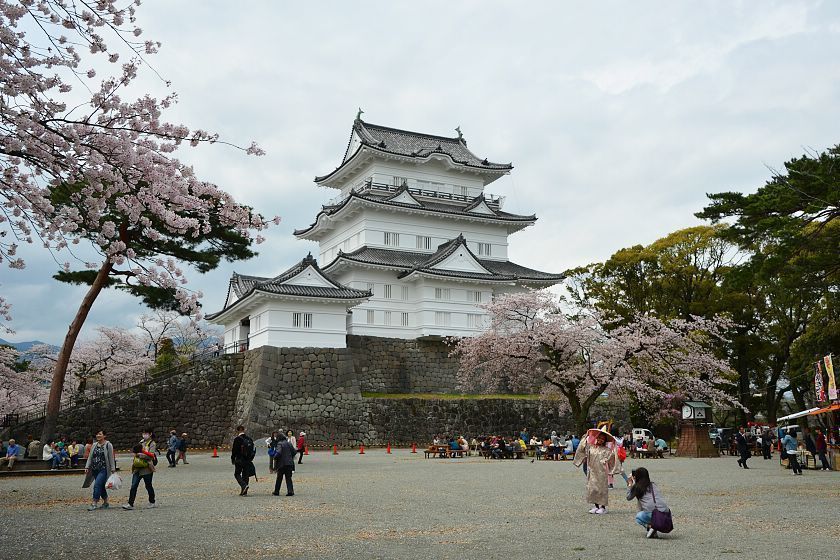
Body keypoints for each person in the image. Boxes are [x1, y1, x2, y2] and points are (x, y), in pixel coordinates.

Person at [573, 427, 618, 514]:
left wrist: (613, 468)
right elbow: (582, 449)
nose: (600, 440)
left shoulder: (607, 450)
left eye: (603, 439)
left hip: (602, 472)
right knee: (592, 489)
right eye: (599, 437)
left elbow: (613, 459)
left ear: (605, 440)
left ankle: (603, 506)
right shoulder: (591, 447)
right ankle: (596, 505)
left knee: (602, 489)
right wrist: (585, 438)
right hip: (592, 471)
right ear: (596, 438)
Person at [626, 467, 671, 539]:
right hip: (666, 513)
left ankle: (651, 527)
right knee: (650, 510)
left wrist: (630, 484)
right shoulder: (653, 484)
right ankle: (653, 529)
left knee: (638, 517)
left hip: (653, 514)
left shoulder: (637, 487)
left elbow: (628, 497)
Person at [123, 428, 158, 509]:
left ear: (150, 434)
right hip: (137, 468)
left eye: (146, 433)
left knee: (148, 485)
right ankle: (130, 504)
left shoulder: (152, 443)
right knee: (133, 485)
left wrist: (140, 454)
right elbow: (135, 452)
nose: (144, 435)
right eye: (143, 433)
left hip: (147, 468)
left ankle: (152, 501)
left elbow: (151, 456)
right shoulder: (141, 442)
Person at [83, 430, 116, 511]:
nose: (98, 435)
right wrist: (87, 466)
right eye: (97, 434)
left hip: (103, 469)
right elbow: (90, 457)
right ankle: (106, 502)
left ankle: (94, 502)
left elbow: (111, 457)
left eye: (100, 434)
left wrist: (113, 469)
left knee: (97, 484)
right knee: (101, 486)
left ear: (104, 436)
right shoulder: (94, 445)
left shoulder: (108, 445)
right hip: (94, 469)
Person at [231, 425, 256, 496]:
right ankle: (244, 492)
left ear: (237, 431)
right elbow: (252, 449)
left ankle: (243, 485)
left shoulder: (237, 439)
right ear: (244, 430)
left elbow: (234, 450)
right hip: (248, 460)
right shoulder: (249, 439)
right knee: (246, 475)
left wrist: (232, 458)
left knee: (237, 474)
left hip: (239, 459)